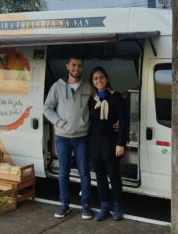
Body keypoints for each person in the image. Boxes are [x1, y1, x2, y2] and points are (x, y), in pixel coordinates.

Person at [44, 55, 93, 220]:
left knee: (84, 173)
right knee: (63, 173)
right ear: (67, 66)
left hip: (82, 137)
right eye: (74, 65)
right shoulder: (57, 87)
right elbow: (47, 108)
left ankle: (86, 207)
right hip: (62, 137)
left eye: (80, 66)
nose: (76, 68)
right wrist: (59, 122)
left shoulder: (88, 86)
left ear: (82, 67)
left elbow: (101, 101)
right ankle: (64, 206)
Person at [88, 66, 127, 221]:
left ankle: (117, 207)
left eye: (101, 77)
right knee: (100, 177)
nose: (99, 81)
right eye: (95, 78)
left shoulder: (116, 97)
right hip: (95, 144)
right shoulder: (92, 100)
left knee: (114, 176)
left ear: (107, 79)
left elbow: (124, 121)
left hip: (111, 143)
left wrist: (120, 143)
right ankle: (104, 207)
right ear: (93, 81)